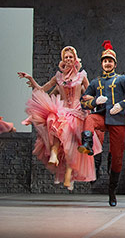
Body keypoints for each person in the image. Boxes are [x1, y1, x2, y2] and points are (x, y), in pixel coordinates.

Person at [18, 46, 100, 190]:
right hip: (63, 111)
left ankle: (69, 174)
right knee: (54, 123)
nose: (68, 60)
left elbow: (90, 92)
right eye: (66, 57)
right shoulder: (58, 77)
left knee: (72, 146)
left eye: (70, 57)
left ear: (75, 59)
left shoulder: (81, 76)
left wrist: (92, 102)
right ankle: (54, 154)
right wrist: (30, 78)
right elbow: (43, 89)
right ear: (62, 60)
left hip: (77, 112)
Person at [78, 41, 125, 206]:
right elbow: (83, 101)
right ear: (102, 63)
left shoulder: (122, 79)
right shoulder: (96, 82)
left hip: (118, 120)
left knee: (117, 158)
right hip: (101, 116)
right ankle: (87, 144)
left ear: (114, 63)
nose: (107, 63)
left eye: (110, 61)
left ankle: (112, 192)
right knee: (89, 119)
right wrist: (94, 102)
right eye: (105, 61)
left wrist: (123, 104)